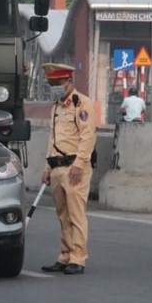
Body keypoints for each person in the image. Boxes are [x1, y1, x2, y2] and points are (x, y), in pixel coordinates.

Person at [40, 63, 97, 275]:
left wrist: (80, 163)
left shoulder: (81, 103)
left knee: (76, 215)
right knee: (62, 215)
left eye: (58, 83)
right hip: (56, 167)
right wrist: (47, 167)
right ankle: (64, 255)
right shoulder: (56, 106)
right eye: (51, 83)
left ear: (69, 81)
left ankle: (78, 258)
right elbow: (52, 139)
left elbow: (87, 136)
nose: (55, 87)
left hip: (74, 167)